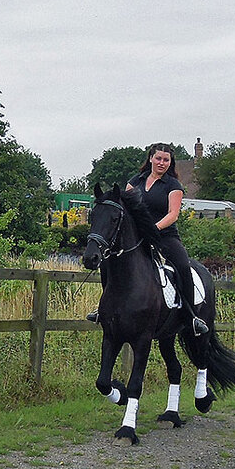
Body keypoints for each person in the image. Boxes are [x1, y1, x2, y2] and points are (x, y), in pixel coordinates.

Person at [87, 143, 209, 336]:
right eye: (158, 158)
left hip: (165, 236)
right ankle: (104, 309)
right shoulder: (135, 182)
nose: (162, 162)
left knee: (182, 265)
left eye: (166, 160)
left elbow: (173, 214)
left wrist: (152, 229)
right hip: (136, 237)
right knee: (108, 262)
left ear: (170, 162)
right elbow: (126, 209)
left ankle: (191, 316)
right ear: (151, 158)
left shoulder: (173, 185)